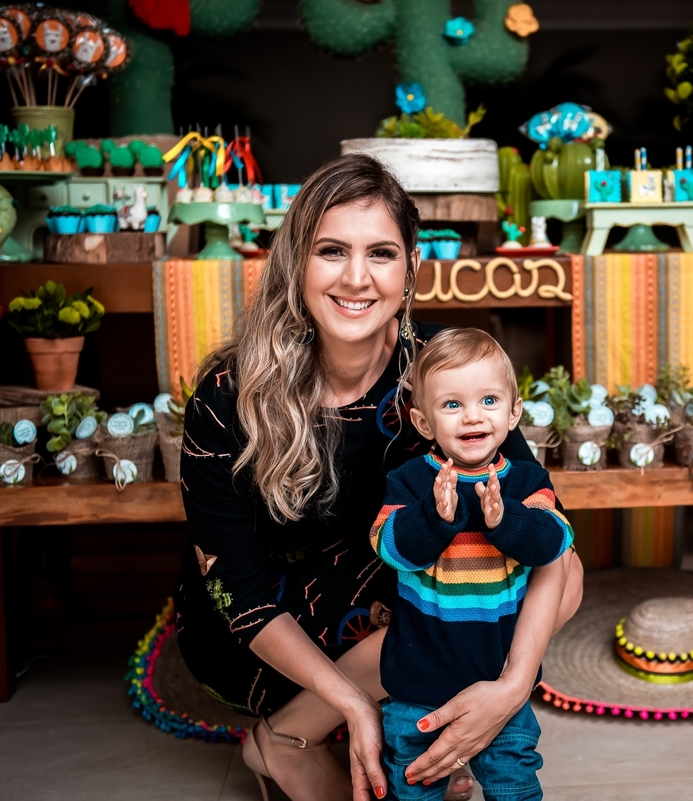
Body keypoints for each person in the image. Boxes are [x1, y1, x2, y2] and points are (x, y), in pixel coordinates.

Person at [175, 154, 583, 801]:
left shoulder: (448, 374)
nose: (357, 278)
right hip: (268, 634)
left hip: (403, 618)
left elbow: (561, 558)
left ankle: (420, 722)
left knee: (536, 575)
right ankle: (285, 738)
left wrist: (508, 691)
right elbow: (238, 589)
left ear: (411, 267)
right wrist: (351, 700)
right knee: (419, 621)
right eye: (332, 250)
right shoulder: (227, 395)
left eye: (382, 253)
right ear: (296, 264)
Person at [371, 329, 573, 800]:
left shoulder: (526, 480)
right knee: (415, 782)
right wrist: (433, 519)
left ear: (513, 413)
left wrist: (507, 521)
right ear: (424, 423)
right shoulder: (409, 482)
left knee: (514, 785)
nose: (473, 416)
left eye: (488, 399)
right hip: (418, 685)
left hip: (499, 681)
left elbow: (554, 543)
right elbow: (389, 547)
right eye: (452, 405)